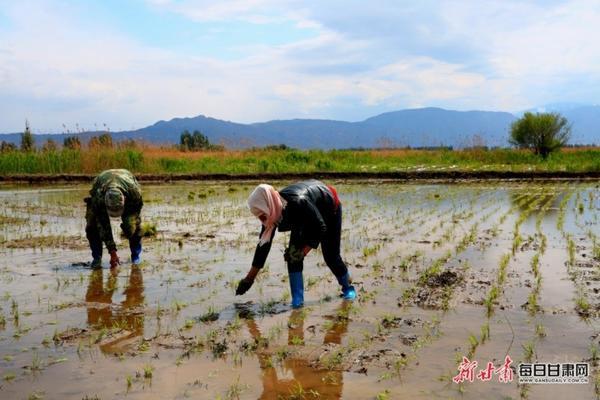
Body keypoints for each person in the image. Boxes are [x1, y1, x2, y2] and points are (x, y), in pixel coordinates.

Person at [236, 180, 356, 308]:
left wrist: (303, 252)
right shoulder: (271, 213)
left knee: (331, 256)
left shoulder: (298, 202)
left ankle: (348, 287)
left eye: (262, 216)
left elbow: (320, 227)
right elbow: (263, 246)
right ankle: (297, 301)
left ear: (268, 205)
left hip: (329, 209)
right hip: (303, 218)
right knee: (293, 256)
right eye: (259, 216)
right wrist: (249, 279)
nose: (262, 220)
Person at [85, 169, 143, 268]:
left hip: (127, 185)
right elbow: (103, 226)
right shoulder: (99, 197)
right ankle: (97, 258)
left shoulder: (134, 193)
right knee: (92, 226)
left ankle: (135, 257)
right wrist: (113, 252)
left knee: (133, 226)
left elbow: (135, 213)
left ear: (124, 199)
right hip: (101, 183)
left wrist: (128, 226)